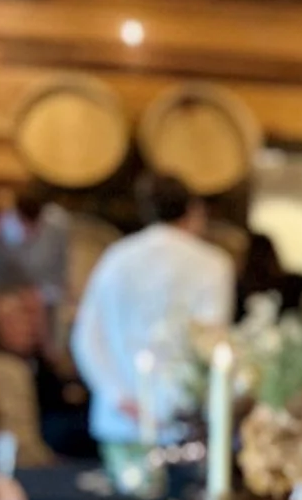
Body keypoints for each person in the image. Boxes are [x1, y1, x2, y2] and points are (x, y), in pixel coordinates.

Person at [68, 172, 233, 452]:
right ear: (194, 210)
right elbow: (211, 341)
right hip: (185, 421)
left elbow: (86, 338)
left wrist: (119, 397)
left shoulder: (117, 258)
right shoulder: (212, 264)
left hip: (121, 421)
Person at [0, 282, 91, 461]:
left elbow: (69, 389)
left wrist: (44, 339)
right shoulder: (3, 369)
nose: (25, 326)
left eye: (28, 318)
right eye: (13, 321)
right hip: (45, 446)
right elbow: (22, 439)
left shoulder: (36, 359)